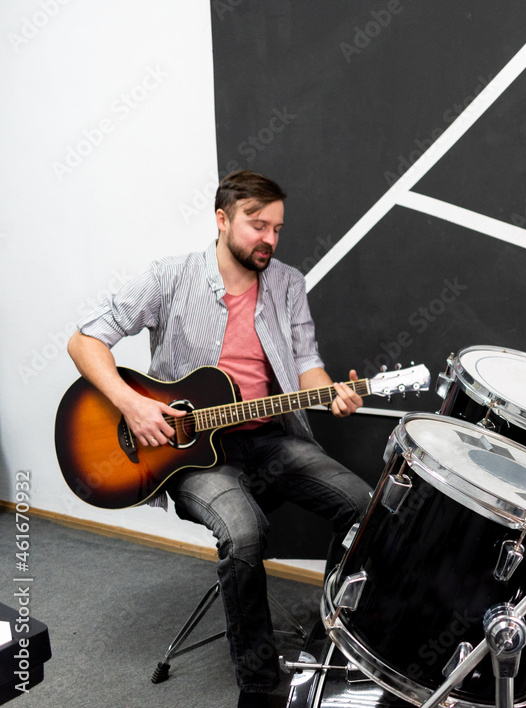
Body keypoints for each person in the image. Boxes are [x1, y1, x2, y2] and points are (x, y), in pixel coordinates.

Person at [67, 170, 373, 708]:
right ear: (222, 219)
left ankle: (328, 649)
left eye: (277, 229)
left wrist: (331, 393)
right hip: (186, 454)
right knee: (246, 531)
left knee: (364, 507)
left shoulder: (288, 284)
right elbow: (85, 339)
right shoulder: (168, 277)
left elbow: (306, 362)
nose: (270, 240)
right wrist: (132, 404)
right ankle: (257, 684)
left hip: (268, 438)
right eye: (258, 226)